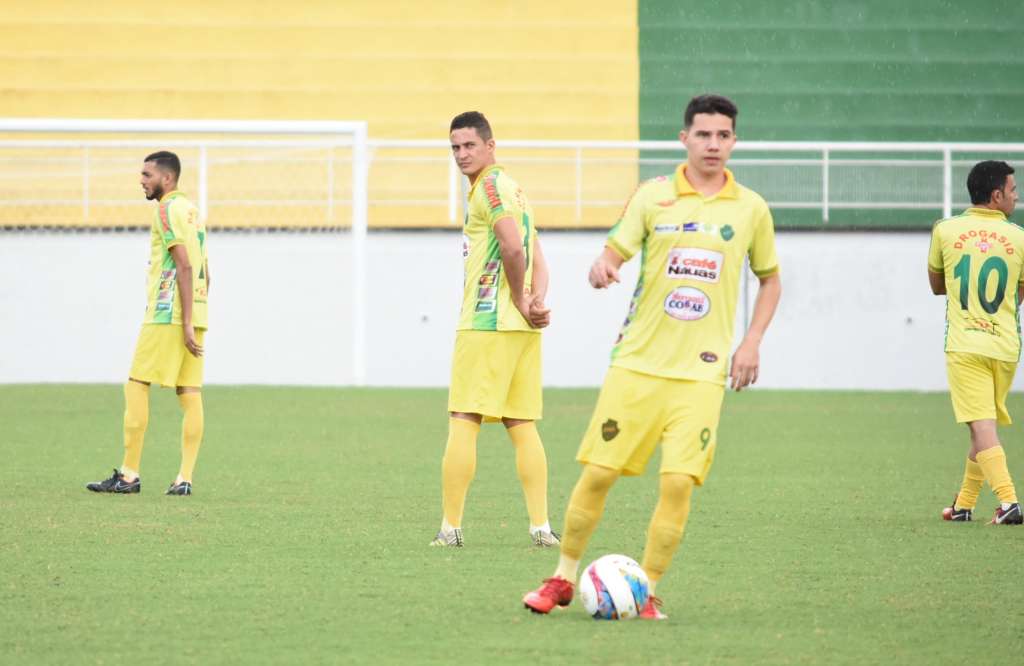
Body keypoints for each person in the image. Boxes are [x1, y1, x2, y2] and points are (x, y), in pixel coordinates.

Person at [522, 94, 782, 619]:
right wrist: (601, 268)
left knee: (679, 482)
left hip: (702, 374)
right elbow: (611, 254)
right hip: (636, 365)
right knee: (598, 473)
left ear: (734, 141)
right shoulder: (653, 196)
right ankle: (561, 578)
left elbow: (770, 278)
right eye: (703, 134)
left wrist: (751, 341)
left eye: (723, 135)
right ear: (684, 138)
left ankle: (648, 590)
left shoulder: (751, 208)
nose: (713, 144)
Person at [430, 111, 559, 548]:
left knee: (464, 417)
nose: (462, 155)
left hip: (487, 322)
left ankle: (450, 529)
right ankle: (541, 527)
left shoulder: (488, 187)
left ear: (490, 146)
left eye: (469, 145)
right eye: (455, 148)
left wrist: (522, 301)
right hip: (520, 329)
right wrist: (535, 300)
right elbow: (538, 256)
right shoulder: (516, 190)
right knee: (521, 422)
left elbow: (511, 244)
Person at [86, 151, 210, 496]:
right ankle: (184, 478)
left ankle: (129, 475)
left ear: (166, 179)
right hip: (197, 309)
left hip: (168, 313)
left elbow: (184, 265)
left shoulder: (165, 210)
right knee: (189, 393)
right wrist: (195, 316)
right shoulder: (192, 212)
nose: (141, 180)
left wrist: (182, 322)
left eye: (147, 175)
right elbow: (205, 270)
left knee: (136, 384)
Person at [929, 160, 1022, 525]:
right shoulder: (1020, 237)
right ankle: (964, 505)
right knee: (982, 427)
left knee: (981, 427)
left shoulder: (945, 230)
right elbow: (1019, 292)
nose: (1016, 196)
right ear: (996, 195)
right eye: (1013, 190)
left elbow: (937, 286)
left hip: (966, 345)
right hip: (1005, 347)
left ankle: (1009, 502)